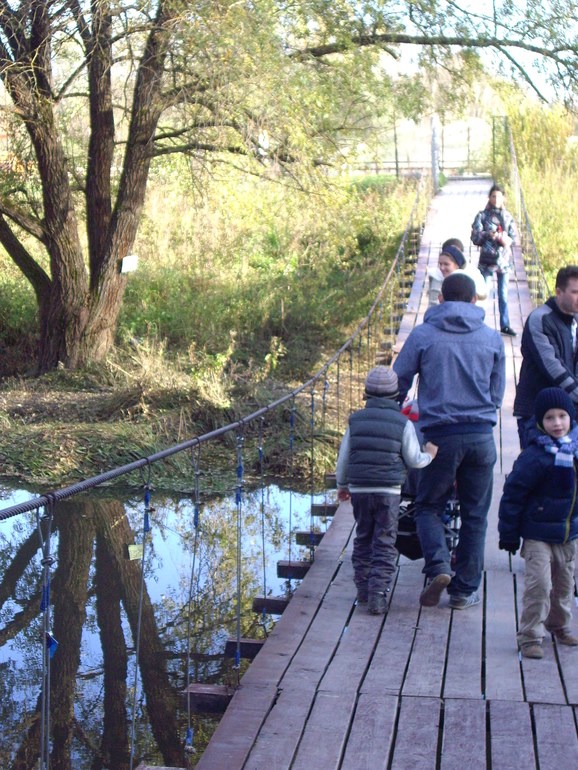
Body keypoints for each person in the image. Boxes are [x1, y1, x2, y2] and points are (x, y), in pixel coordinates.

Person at [393, 273, 506, 609]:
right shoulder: (492, 338)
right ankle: (463, 591)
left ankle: (439, 564)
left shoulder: (423, 334)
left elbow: (399, 381)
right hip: (481, 437)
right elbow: (497, 393)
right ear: (474, 301)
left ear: (440, 299)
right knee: (475, 515)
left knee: (428, 506)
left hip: (438, 437)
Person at [336, 366, 437, 615]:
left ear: (366, 395)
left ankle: (362, 591)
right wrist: (430, 456)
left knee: (363, 539)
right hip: (389, 492)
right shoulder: (402, 422)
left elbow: (344, 458)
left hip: (359, 489)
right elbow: (414, 460)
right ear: (396, 396)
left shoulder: (355, 421)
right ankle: (378, 596)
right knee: (384, 542)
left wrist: (342, 485)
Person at [498, 388, 578, 659]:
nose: (557, 423)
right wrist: (508, 533)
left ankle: (559, 625)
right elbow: (513, 495)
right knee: (539, 586)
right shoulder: (534, 456)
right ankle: (531, 635)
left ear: (571, 417)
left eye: (562, 416)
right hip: (537, 534)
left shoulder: (575, 452)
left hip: (567, 533)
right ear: (539, 422)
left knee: (565, 584)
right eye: (550, 418)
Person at [514, 265, 578, 449]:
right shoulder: (540, 319)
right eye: (575, 292)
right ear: (559, 292)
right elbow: (553, 367)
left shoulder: (574, 320)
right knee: (536, 471)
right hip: (537, 412)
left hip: (567, 411)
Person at [471, 184, 517, 336]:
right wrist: (488, 235)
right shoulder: (482, 216)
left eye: (499, 196)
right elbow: (475, 238)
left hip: (504, 262)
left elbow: (515, 239)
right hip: (487, 262)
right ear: (489, 198)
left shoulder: (508, 217)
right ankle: (479, 324)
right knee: (483, 294)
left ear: (503, 198)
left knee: (503, 295)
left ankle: (505, 325)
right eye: (493, 196)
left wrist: (506, 240)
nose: (496, 199)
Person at [427, 240, 486, 308]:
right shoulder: (437, 277)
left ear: (457, 265)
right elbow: (432, 306)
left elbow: (482, 301)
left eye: (446, 264)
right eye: (440, 264)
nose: (442, 268)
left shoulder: (472, 275)